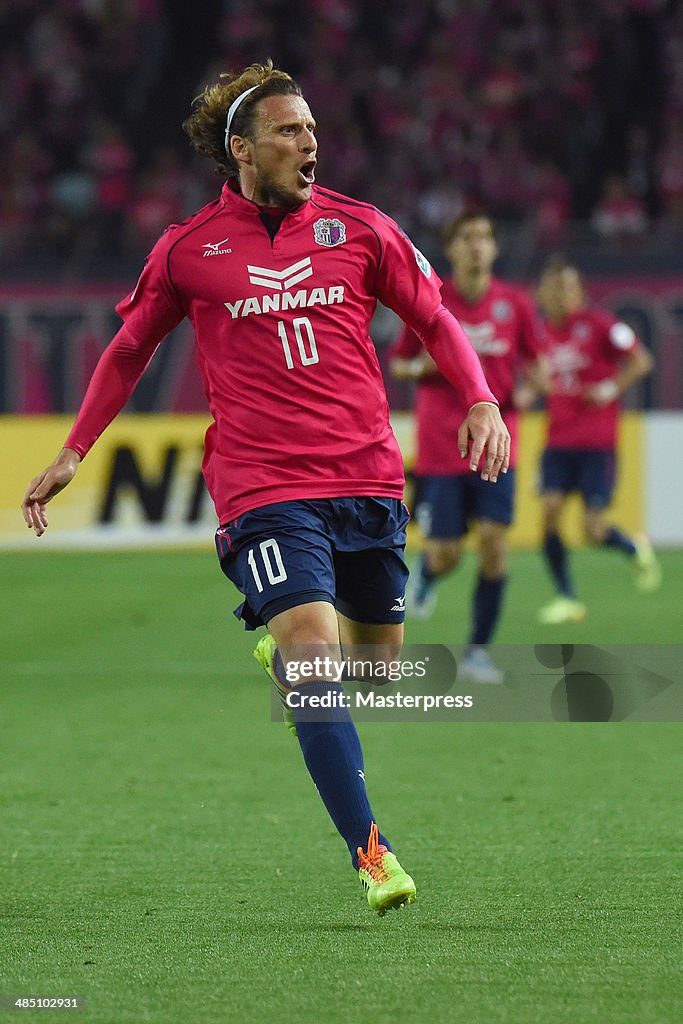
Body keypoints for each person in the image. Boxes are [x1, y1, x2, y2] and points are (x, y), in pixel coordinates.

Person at [21, 61, 510, 916]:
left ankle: (286, 653)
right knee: (315, 662)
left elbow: (433, 317)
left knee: (379, 671)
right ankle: (372, 854)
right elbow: (130, 349)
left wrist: (478, 396)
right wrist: (74, 447)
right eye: (289, 131)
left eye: (312, 129)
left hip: (364, 478)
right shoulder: (188, 249)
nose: (308, 143)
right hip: (261, 485)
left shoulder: (362, 230)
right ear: (241, 150)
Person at [390, 212, 546, 684]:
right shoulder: (431, 301)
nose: (477, 246)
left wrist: (528, 393)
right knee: (447, 554)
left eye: (484, 238)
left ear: (494, 250)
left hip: (498, 447)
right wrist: (421, 369)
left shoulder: (515, 304)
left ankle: (477, 651)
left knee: (496, 546)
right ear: (451, 250)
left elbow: (538, 368)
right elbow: (398, 365)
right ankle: (429, 572)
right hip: (441, 449)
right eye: (466, 239)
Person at [535, 256, 660, 624]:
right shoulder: (540, 332)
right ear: (542, 293)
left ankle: (632, 547)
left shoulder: (602, 325)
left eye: (566, 288)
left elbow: (642, 360)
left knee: (591, 529)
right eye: (553, 288)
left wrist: (610, 387)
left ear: (579, 292)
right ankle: (567, 596)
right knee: (550, 517)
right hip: (557, 441)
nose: (559, 295)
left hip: (596, 442)